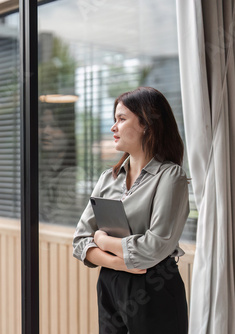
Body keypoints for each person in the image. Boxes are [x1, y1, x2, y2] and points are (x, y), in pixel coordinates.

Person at [72, 87, 189, 334]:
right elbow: (80, 241)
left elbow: (155, 246)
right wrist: (120, 264)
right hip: (109, 283)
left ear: (147, 124)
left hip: (153, 286)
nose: (113, 127)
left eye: (121, 119)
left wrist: (101, 239)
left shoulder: (170, 176)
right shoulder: (108, 178)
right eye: (114, 120)